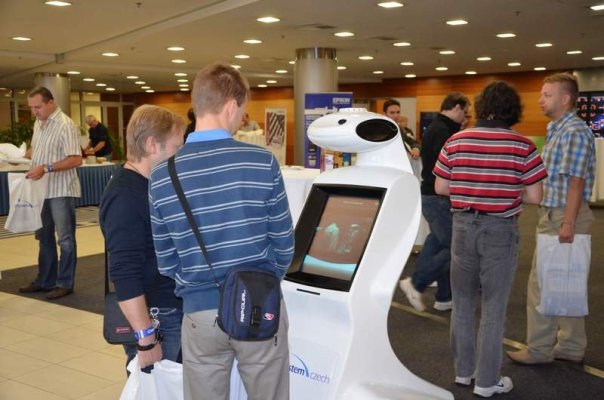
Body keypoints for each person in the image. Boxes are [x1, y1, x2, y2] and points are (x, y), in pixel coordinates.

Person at [149, 63, 294, 400]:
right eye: (241, 112)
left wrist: (196, 286)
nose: (240, 119)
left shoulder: (162, 175)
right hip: (259, 305)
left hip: (198, 313)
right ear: (231, 106)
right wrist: (262, 281)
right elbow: (284, 243)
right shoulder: (262, 162)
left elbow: (166, 259)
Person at [434, 81, 547, 398]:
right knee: (494, 307)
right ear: (513, 110)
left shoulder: (456, 140)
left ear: (482, 106)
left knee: (463, 302)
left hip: (462, 226)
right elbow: (536, 196)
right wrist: (506, 192)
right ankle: (486, 381)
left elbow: (441, 187)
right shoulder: (522, 145)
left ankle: (463, 372)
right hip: (500, 229)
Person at [507, 72, 596, 365]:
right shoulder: (559, 128)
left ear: (565, 98)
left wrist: (567, 222)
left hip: (562, 216)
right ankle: (570, 346)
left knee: (542, 284)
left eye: (547, 95)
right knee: (567, 281)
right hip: (559, 214)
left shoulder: (572, 131)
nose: (540, 100)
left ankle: (539, 349)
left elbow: (576, 181)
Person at [99, 105, 184, 371]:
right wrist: (146, 338)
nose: (180, 154)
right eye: (177, 146)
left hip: (166, 310)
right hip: (157, 317)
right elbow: (124, 272)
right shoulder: (125, 195)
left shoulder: (149, 184)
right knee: (156, 387)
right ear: (151, 145)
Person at [399, 92, 470, 312]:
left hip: (433, 197)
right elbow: (449, 167)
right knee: (455, 248)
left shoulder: (438, 128)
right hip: (439, 197)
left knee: (437, 243)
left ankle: (444, 297)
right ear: (456, 108)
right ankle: (417, 283)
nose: (466, 117)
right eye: (465, 112)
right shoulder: (443, 132)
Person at [19, 86, 82, 299]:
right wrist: (20, 157)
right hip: (40, 190)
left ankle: (65, 283)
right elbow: (37, 150)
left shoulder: (65, 125)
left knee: (65, 239)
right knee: (43, 236)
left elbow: (76, 159)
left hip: (61, 190)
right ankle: (45, 280)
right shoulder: (39, 123)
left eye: (38, 107)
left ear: (51, 103)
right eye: (31, 107)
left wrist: (45, 168)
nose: (34, 111)